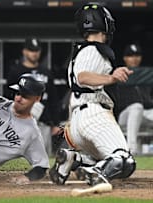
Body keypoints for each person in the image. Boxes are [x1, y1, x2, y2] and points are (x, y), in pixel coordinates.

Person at [49, 3, 136, 187]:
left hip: (78, 122)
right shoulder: (93, 48)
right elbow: (83, 77)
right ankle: (96, 173)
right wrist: (111, 77)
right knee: (122, 159)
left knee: (124, 165)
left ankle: (73, 159)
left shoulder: (82, 50)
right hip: (94, 117)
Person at [5, 37, 60, 155]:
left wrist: (55, 123)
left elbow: (54, 98)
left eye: (36, 50)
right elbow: (8, 96)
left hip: (43, 121)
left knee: (43, 155)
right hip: (21, 121)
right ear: (24, 51)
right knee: (20, 155)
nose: (34, 53)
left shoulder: (46, 72)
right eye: (31, 50)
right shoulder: (16, 71)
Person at [117, 43, 153, 154]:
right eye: (131, 55)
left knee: (140, 108)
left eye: (137, 55)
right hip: (124, 116)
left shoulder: (146, 75)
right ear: (125, 58)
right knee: (137, 107)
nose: (134, 58)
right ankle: (131, 149)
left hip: (144, 115)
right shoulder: (119, 74)